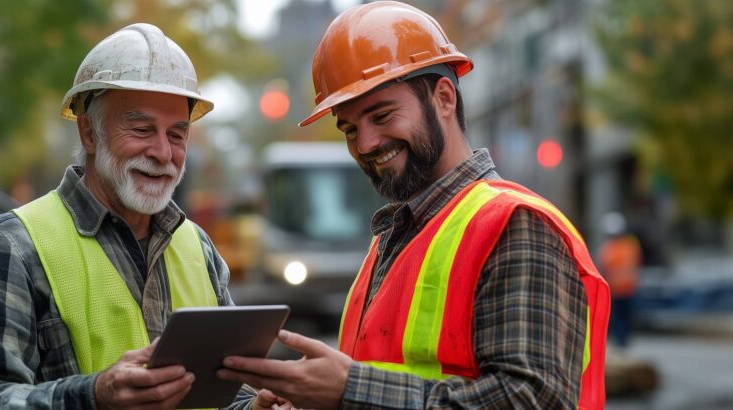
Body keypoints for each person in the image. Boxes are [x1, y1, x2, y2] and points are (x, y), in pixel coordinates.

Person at [217, 2, 610, 409]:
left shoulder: (515, 224)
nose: (366, 144)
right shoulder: (396, 238)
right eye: (350, 129)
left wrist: (348, 389)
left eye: (382, 115)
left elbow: (533, 400)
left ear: (443, 98)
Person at [0, 23, 276, 410]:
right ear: (90, 134)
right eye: (141, 128)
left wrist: (256, 407)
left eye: (177, 134)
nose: (163, 153)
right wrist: (95, 396)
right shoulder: (6, 248)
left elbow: (224, 394)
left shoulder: (197, 248)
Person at [598, 212, 642, 348]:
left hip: (624, 289)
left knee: (622, 318)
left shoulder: (615, 248)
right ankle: (620, 342)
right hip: (620, 289)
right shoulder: (627, 246)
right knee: (619, 319)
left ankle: (621, 342)